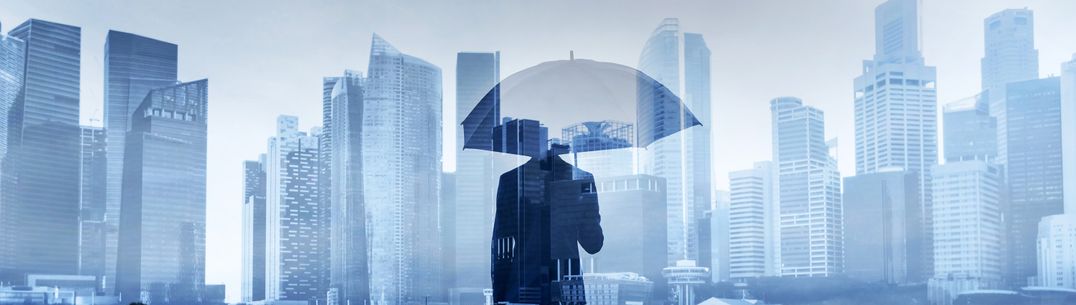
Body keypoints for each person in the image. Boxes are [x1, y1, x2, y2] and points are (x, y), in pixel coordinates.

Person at [490, 120, 603, 305]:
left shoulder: (510, 181)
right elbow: (593, 244)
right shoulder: (581, 180)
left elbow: (501, 250)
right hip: (567, 291)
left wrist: (500, 298)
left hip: (521, 289)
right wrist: (585, 208)